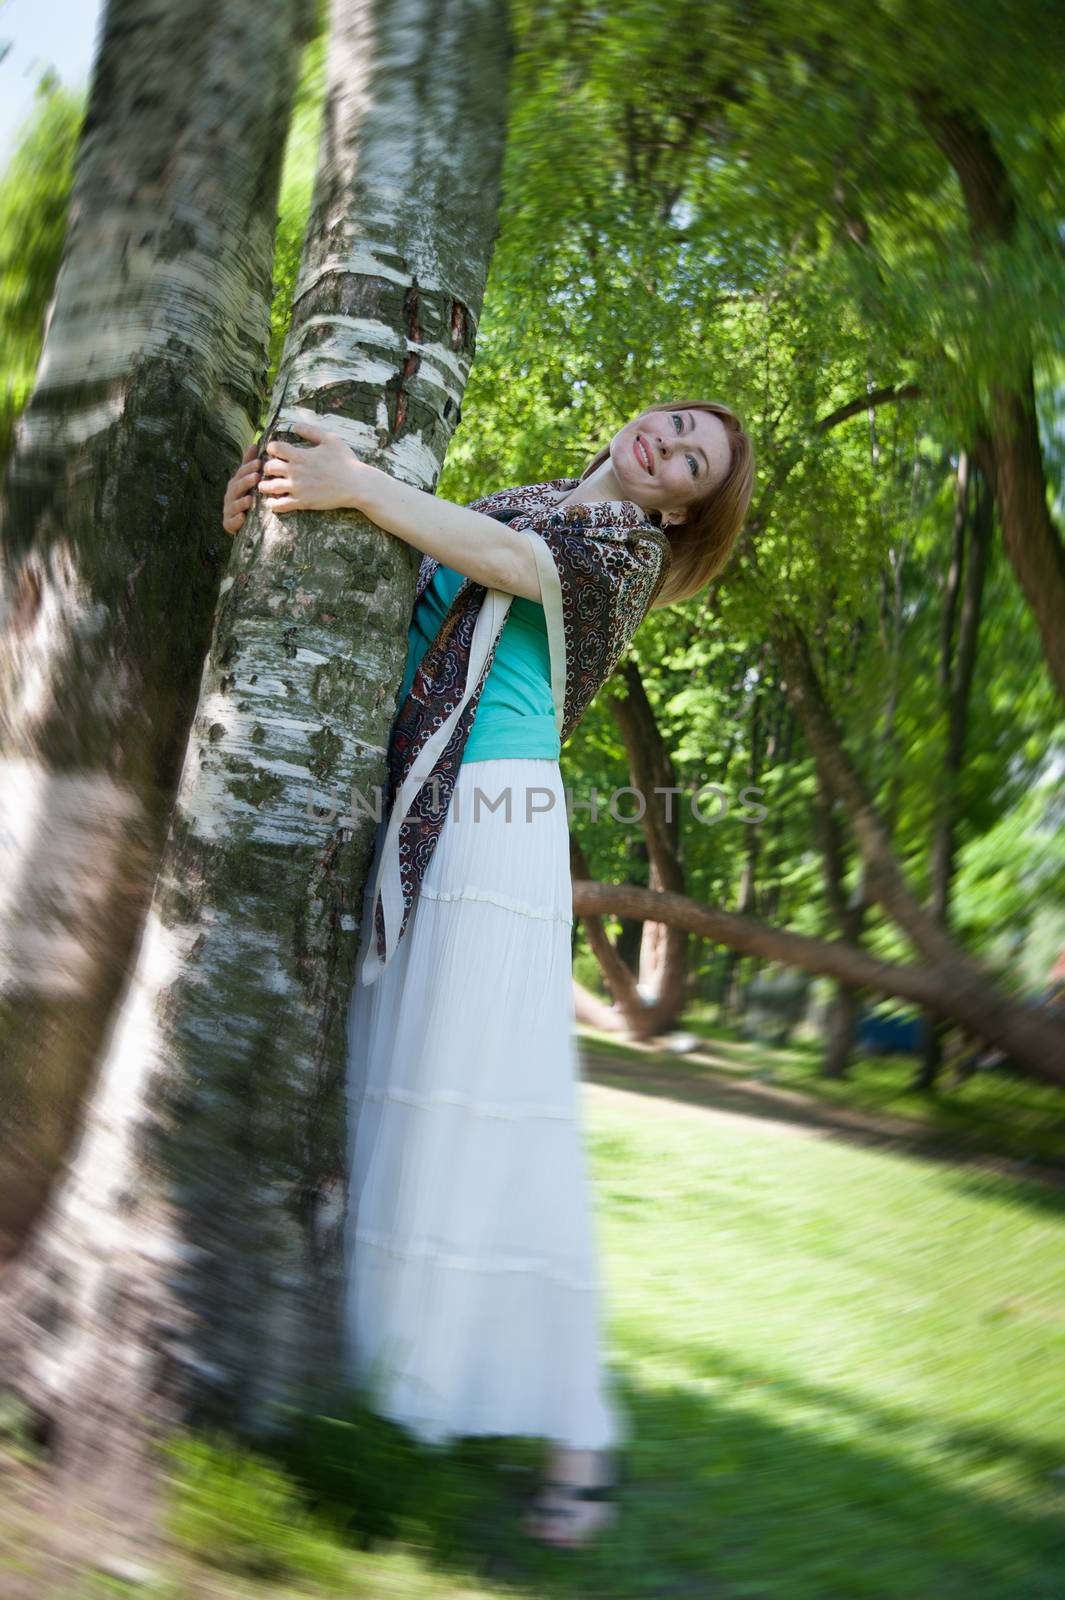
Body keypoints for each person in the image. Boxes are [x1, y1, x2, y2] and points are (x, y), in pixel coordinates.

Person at [222, 400, 754, 1548]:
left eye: (691, 461)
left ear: (681, 508)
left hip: (492, 822)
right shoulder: (519, 501)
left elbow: (507, 564)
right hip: (418, 804)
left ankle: (573, 1428)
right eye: (671, 422)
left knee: (493, 1112)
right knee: (396, 1085)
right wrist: (272, 515)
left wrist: (356, 482)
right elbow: (404, 570)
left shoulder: (622, 550)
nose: (665, 443)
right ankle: (403, 1365)